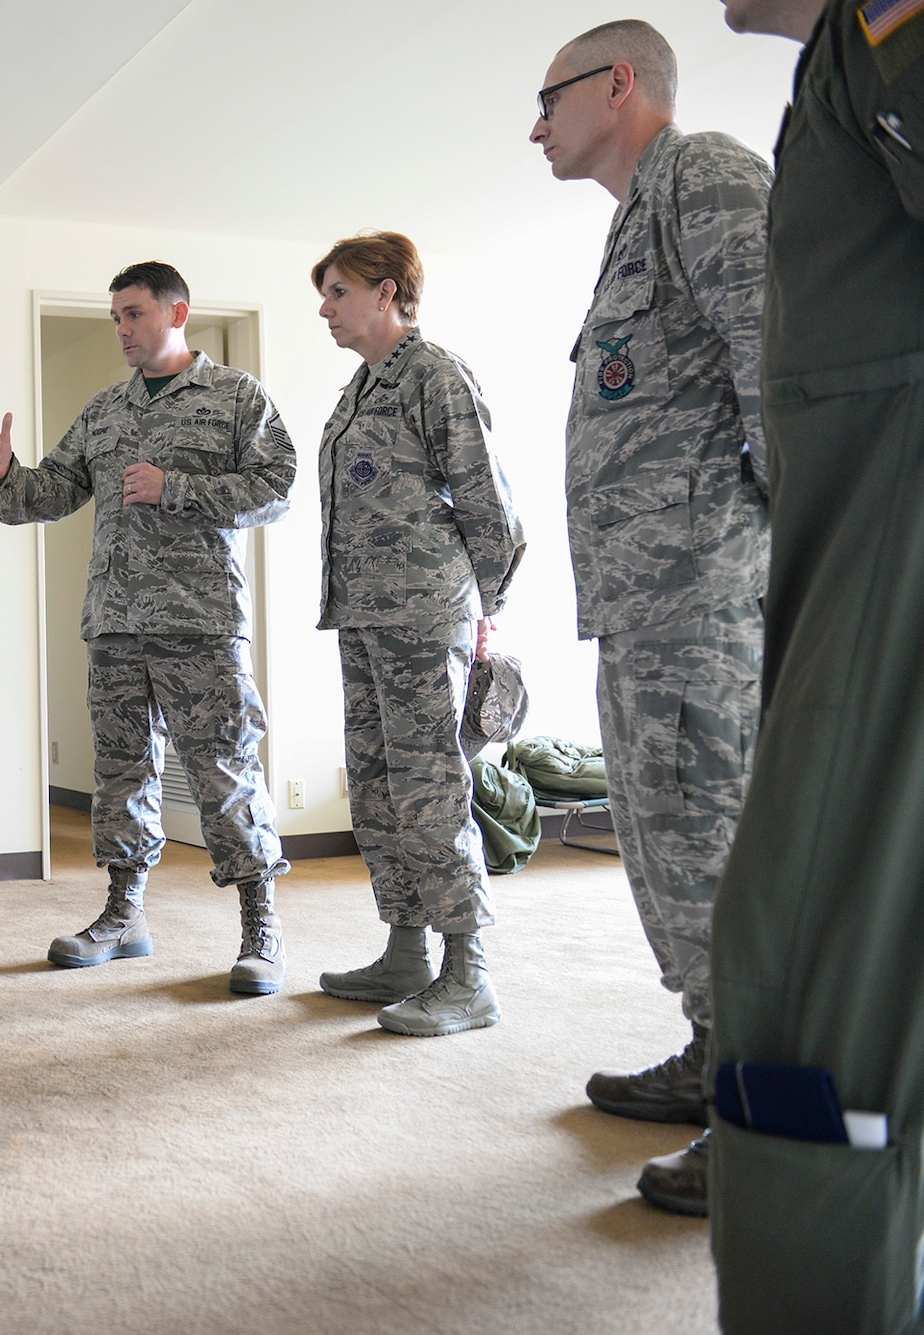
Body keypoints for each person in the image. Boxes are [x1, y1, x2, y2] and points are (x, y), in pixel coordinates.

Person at [528, 18, 772, 1216]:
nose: (535, 126)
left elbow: (775, 373)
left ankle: (763, 1121)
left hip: (703, 603)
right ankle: (708, 1052)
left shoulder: (711, 177)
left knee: (720, 862)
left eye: (548, 99)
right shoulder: (638, 215)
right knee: (668, 852)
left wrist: (787, 578)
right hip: (644, 606)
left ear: (616, 84)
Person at [709, 0, 924, 1326]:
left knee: (801, 962)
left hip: (893, 521)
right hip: (855, 512)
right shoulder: (844, 54)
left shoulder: (879, 24)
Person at [0, 262, 296, 993]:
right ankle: (123, 915)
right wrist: (5, 471)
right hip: (114, 625)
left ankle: (261, 927)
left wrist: (179, 488)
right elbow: (48, 493)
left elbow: (276, 488)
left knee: (224, 773)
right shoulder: (106, 410)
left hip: (200, 624)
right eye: (115, 317)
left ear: (178, 314)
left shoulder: (237, 398)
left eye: (134, 314)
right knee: (121, 775)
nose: (123, 330)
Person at [307, 233, 527, 1037]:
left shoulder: (435, 376)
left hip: (424, 612)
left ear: (388, 290)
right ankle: (406, 949)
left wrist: (484, 608)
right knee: (376, 785)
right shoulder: (359, 390)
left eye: (337, 291)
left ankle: (469, 972)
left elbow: (487, 502)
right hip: (364, 615)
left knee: (431, 786)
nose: (325, 308)